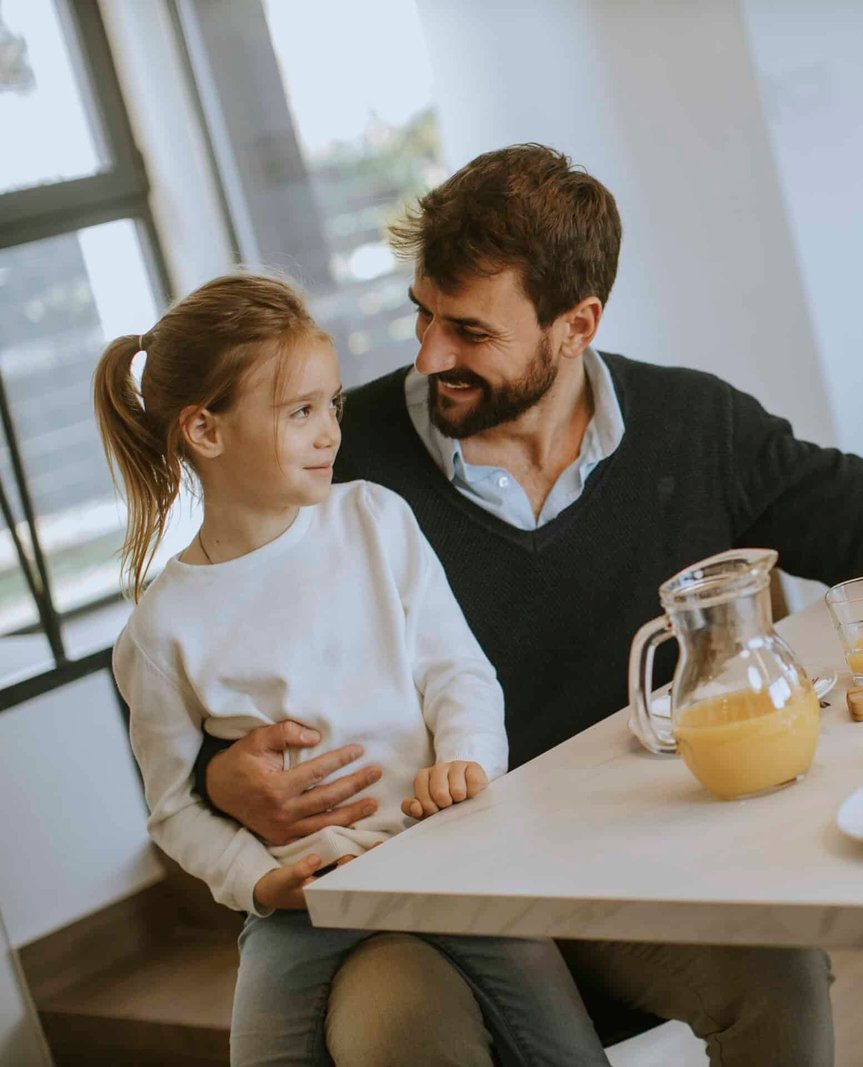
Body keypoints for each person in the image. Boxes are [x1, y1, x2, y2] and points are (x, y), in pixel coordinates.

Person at [192, 144, 863, 1065]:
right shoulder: (339, 461)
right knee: (400, 1027)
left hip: (625, 866)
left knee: (779, 976)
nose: (431, 353)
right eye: (422, 315)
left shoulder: (693, 425)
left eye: (470, 332)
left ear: (575, 324)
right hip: (425, 890)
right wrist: (216, 774)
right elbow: (188, 644)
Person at [95, 274, 617, 1066]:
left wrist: (465, 762)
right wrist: (261, 883)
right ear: (205, 430)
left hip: (445, 858)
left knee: (566, 1051)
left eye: (331, 404)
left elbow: (460, 675)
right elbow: (172, 809)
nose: (329, 432)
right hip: (298, 907)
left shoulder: (375, 519)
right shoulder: (160, 630)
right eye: (300, 411)